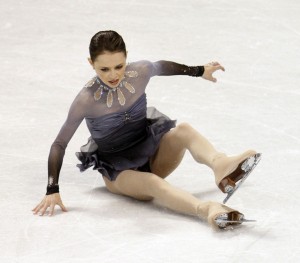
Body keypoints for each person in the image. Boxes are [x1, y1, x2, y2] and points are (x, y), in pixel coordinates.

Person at [32, 30, 261, 229]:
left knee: (184, 130)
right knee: (152, 183)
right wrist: (52, 188)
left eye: (119, 66)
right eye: (104, 69)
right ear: (90, 63)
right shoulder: (86, 100)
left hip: (151, 155)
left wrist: (200, 70)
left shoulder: (140, 71)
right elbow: (59, 144)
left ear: (127, 58)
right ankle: (207, 209)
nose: (113, 75)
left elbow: (164, 67)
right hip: (120, 174)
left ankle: (221, 167)